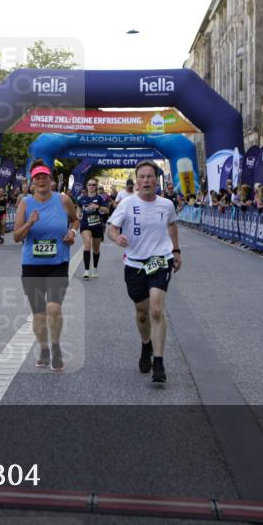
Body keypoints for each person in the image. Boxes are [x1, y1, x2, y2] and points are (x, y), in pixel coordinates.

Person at [106, 160, 181, 384]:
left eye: (150, 176)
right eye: (142, 177)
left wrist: (176, 251)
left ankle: (158, 362)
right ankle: (146, 345)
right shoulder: (127, 204)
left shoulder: (166, 204)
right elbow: (111, 228)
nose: (146, 180)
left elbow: (172, 225)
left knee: (156, 310)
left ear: (155, 180)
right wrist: (116, 237)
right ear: (137, 181)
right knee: (142, 312)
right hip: (135, 264)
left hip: (160, 260)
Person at [12, 160, 79, 371]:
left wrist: (72, 232)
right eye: (37, 178)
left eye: (45, 177)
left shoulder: (63, 200)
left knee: (54, 308)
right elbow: (16, 236)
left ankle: (56, 346)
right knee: (39, 314)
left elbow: (75, 220)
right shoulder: (25, 203)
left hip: (57, 263)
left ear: (51, 181)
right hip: (32, 265)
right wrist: (30, 223)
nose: (41, 181)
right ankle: (43, 348)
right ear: (32, 183)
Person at [77, 178, 110, 279]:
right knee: (87, 245)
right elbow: (79, 207)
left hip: (97, 225)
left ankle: (95, 268)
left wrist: (98, 207)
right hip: (85, 225)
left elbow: (107, 210)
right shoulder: (82, 198)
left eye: (93, 185)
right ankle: (86, 271)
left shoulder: (100, 198)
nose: (91, 187)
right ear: (86, 186)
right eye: (89, 185)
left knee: (96, 250)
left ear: (96, 187)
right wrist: (78, 213)